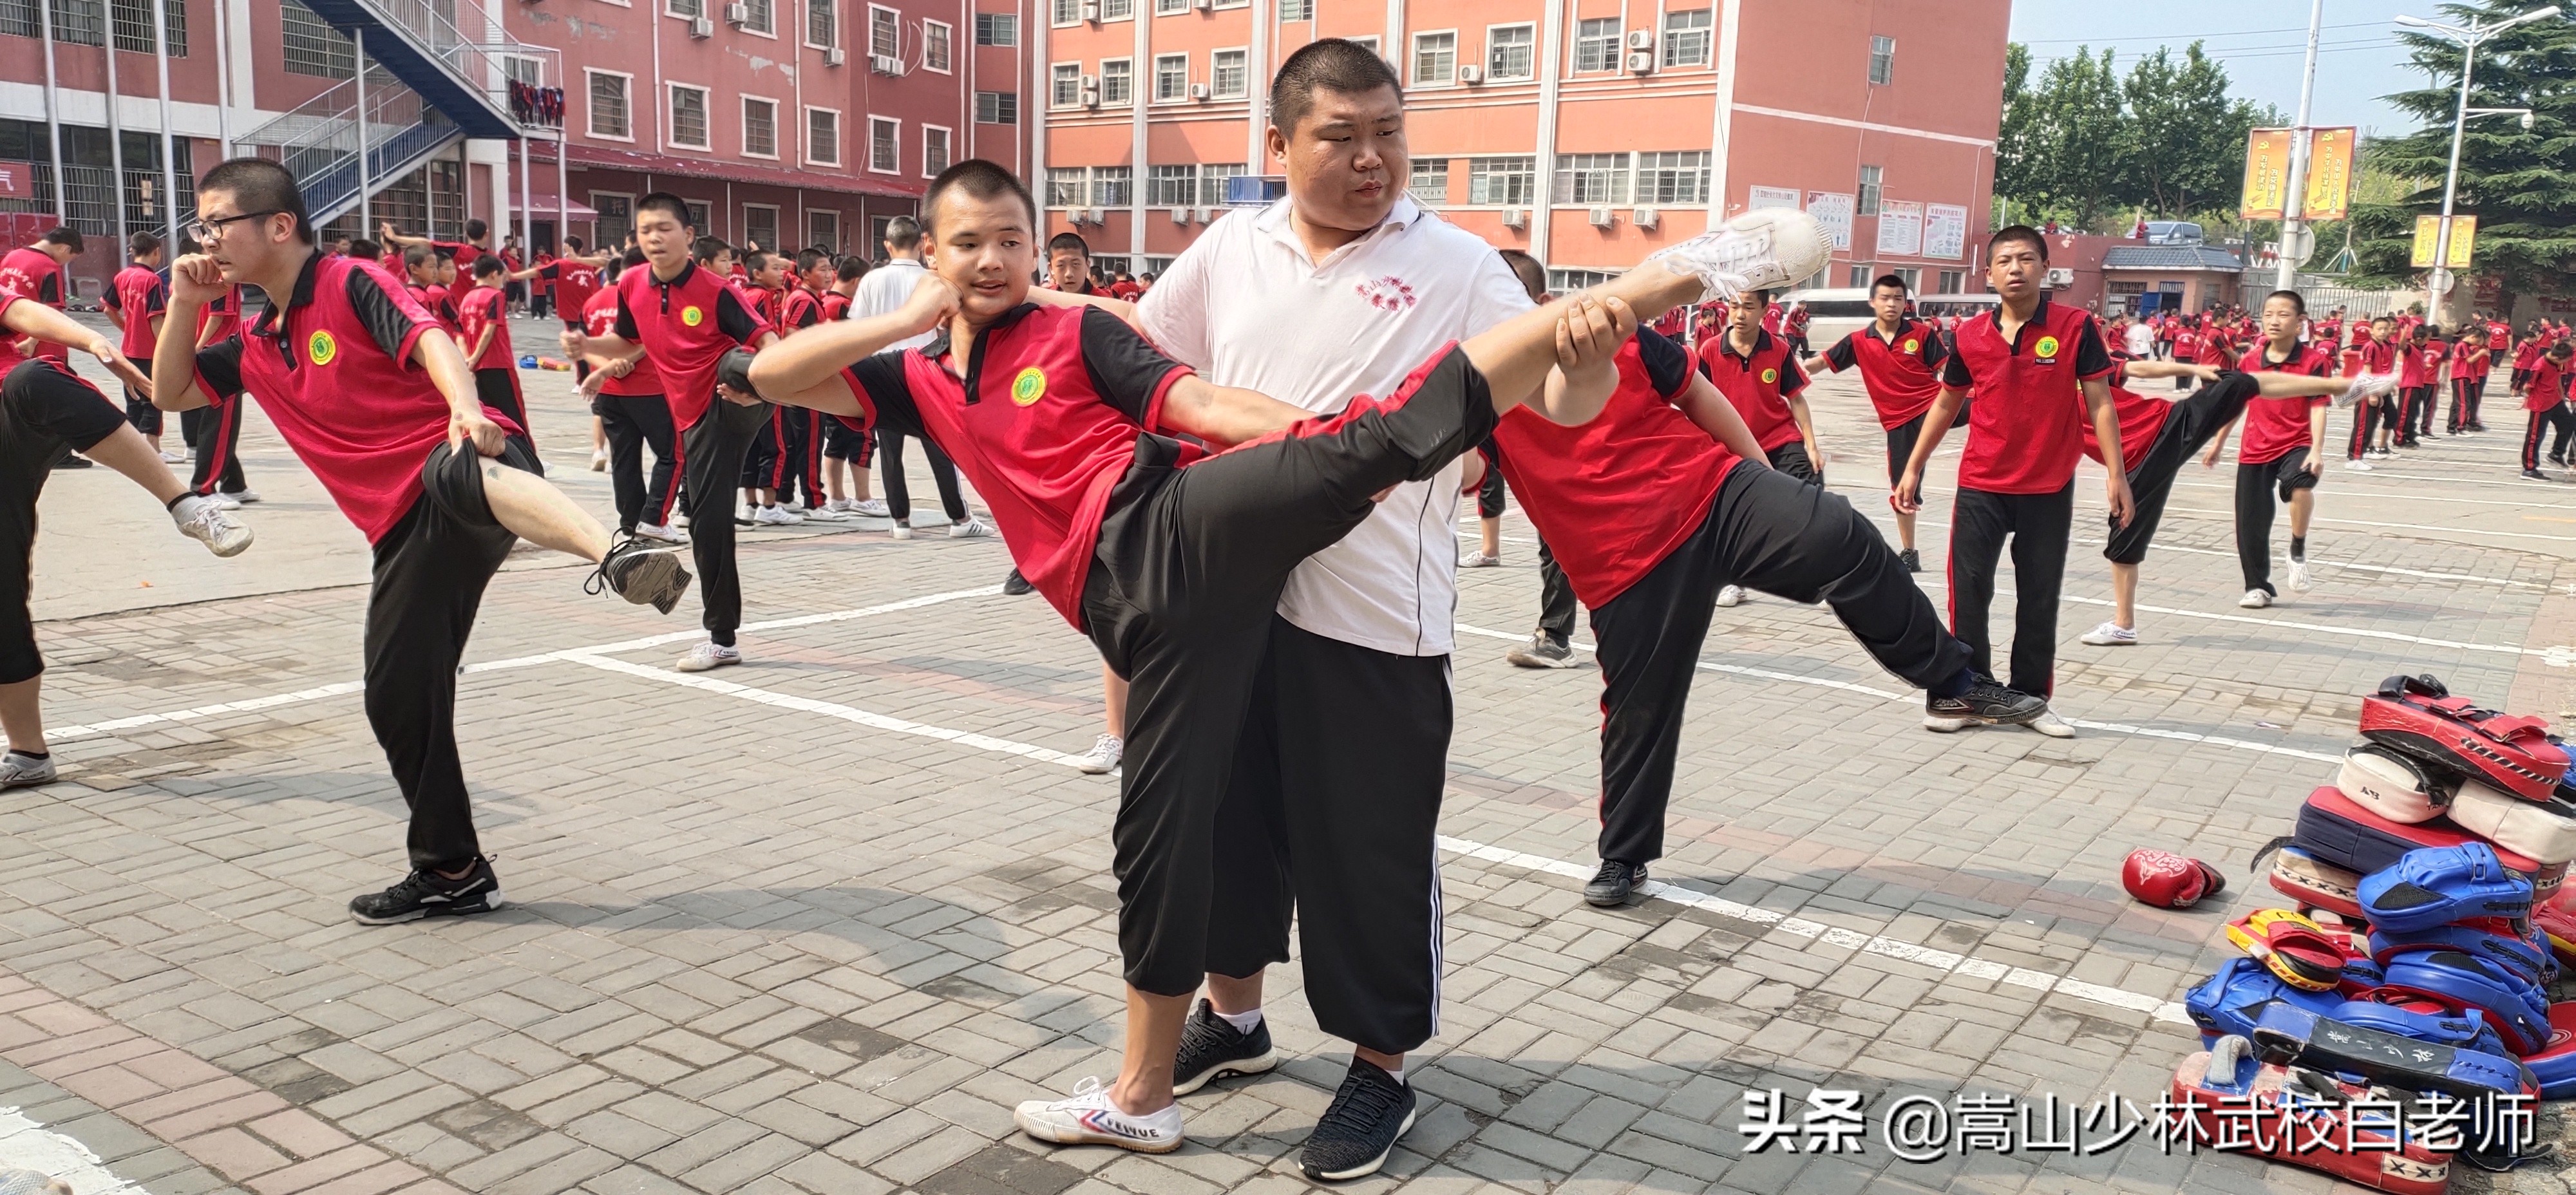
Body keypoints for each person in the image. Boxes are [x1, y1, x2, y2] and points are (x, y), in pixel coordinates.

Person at [743, 155, 1799, 1174]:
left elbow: (1200, 406)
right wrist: (908, 315)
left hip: (1172, 533)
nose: (992, 260)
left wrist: (1317, 445)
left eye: (1011, 240)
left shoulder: (1078, 334)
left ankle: (1646, 287)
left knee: (1373, 445)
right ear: (929, 251)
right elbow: (769, 374)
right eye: (968, 243)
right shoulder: (917, 375)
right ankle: (1169, 1076)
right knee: (1162, 841)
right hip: (1144, 625)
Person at [157, 158, 694, 921]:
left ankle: (619, 553)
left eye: (217, 223)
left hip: (474, 464)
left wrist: (466, 410)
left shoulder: (346, 281)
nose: (205, 239)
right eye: (200, 226)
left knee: (451, 470)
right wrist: (183, 300)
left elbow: (431, 337)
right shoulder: (256, 339)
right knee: (397, 692)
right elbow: (169, 390)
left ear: (278, 226)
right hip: (402, 529)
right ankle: (453, 869)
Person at [1479, 249, 2041, 906]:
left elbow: (1699, 395)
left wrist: (1763, 482)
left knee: (1837, 531)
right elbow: (1462, 473)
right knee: (1638, 712)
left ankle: (1950, 682)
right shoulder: (1478, 390)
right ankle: (1623, 857)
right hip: (1621, 567)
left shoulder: (1621, 336)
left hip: (1714, 494)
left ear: (1540, 305)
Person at [0, 286, 254, 789]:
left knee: (35, 379)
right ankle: (29, 755)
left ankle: (185, 505)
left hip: (11, 419)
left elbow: (21, 311)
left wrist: (95, 342)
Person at [1894, 227, 2128, 738]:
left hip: (2048, 487)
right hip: (1982, 484)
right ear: (1989, 273)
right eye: (2004, 261)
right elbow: (1947, 402)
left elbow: (2100, 402)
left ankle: (2031, 700)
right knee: (1969, 594)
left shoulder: (2074, 327)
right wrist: (1913, 465)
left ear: (2046, 269)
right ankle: (1967, 695)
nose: (2015, 269)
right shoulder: (1970, 335)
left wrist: (2117, 474)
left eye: (2026, 259)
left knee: (2039, 596)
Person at [563, 196, 775, 673]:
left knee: (708, 519)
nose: (654, 238)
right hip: (690, 414)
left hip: (729, 401)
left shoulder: (717, 290)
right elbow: (627, 340)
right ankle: (717, 628)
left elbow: (768, 342)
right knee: (702, 520)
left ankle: (721, 638)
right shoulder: (631, 284)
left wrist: (761, 387)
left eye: (664, 228)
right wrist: (587, 346)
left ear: (688, 235)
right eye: (644, 231)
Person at [844, 216, 989, 542]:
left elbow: (858, 327)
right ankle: (959, 517)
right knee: (941, 448)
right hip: (926, 369)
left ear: (888, 245)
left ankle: (901, 521)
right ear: (923, 244)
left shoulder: (871, 280)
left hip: (883, 371)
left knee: (891, 455)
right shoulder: (932, 279)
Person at [1801, 274, 1947, 570]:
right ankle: (1910, 552)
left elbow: (1949, 370)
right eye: (1885, 297)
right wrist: (1785, 374)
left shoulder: (1922, 335)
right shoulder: (1858, 341)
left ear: (1905, 303)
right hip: (1900, 423)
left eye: (1898, 298)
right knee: (1902, 485)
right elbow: (1817, 364)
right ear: (1873, 302)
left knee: (1988, 409)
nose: (1892, 304)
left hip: (1937, 408)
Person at [1701, 288, 1819, 608]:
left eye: (1749, 307)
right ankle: (1733, 581)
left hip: (1778, 439)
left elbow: (1796, 398)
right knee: (1731, 515)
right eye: (1734, 306)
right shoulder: (1710, 351)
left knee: (1813, 497)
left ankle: (1821, 578)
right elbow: (1694, 401)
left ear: (1766, 310)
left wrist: (1810, 444)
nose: (1739, 314)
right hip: (1732, 443)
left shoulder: (1778, 349)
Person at [580, 249, 683, 544]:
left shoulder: (592, 302)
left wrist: (603, 371)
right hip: (648, 389)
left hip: (611, 393)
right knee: (672, 455)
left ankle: (630, 524)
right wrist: (614, 366)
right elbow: (652, 338)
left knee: (624, 459)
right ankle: (654, 519)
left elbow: (587, 346)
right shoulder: (645, 295)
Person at [456, 256, 538, 471]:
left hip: (477, 368)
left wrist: (469, 360)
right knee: (515, 415)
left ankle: (497, 458)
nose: (503, 280)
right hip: (498, 363)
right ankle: (530, 460)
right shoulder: (495, 296)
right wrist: (475, 358)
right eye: (502, 276)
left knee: (489, 414)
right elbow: (490, 329)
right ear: (494, 274)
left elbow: (460, 335)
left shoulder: (466, 299)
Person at [184, 272, 256, 506]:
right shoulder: (224, 277)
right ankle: (202, 489)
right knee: (220, 424)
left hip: (210, 352)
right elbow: (217, 317)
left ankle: (234, 484)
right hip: (221, 355)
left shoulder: (199, 273)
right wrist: (198, 347)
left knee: (223, 426)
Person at [103, 232, 175, 460]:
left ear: (133, 250)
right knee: (154, 398)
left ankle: (130, 448)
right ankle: (153, 449)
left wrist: (127, 328)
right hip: (150, 351)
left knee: (133, 398)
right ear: (156, 252)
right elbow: (156, 319)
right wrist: (166, 348)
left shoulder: (122, 276)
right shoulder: (151, 280)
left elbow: (108, 309)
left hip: (128, 349)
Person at [819, 256, 880, 517]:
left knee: (836, 441)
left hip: (830, 381)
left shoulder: (823, 300)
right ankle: (864, 498)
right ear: (857, 281)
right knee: (863, 438)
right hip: (851, 381)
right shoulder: (843, 306)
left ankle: (838, 497)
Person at [2517, 341, 2573, 481]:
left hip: (2555, 400)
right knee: (2535, 436)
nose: (2569, 362)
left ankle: (2556, 454)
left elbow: (2558, 378)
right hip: (2540, 403)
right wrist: (2528, 399)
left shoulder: (2559, 362)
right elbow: (2528, 387)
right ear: (2557, 358)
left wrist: (2561, 394)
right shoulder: (2539, 366)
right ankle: (2529, 469)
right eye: (2568, 359)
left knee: (2570, 424)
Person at [2449, 327, 2490, 437]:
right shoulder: (2462, 345)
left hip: (2463, 376)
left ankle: (2451, 427)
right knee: (2464, 403)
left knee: (2458, 403)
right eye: (2477, 341)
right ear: (2473, 337)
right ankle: (2461, 427)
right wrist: (2481, 353)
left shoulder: (2465, 346)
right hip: (2461, 376)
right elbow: (2470, 360)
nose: (2478, 344)